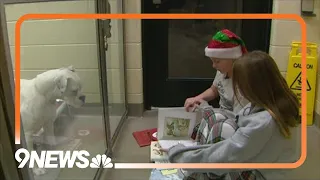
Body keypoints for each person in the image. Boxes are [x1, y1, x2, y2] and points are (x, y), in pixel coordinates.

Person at [166, 51, 301, 180]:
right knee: (219, 119)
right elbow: (236, 119)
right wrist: (206, 108)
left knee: (222, 129)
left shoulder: (263, 122)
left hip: (261, 175)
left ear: (251, 86)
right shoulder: (270, 104)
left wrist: (181, 156)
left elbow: (224, 157)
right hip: (258, 163)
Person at [184, 29, 249, 114]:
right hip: (223, 115)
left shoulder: (242, 83)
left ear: (233, 58)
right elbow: (214, 90)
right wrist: (197, 98)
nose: (214, 66)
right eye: (212, 61)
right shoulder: (222, 71)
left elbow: (239, 117)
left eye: (217, 61)